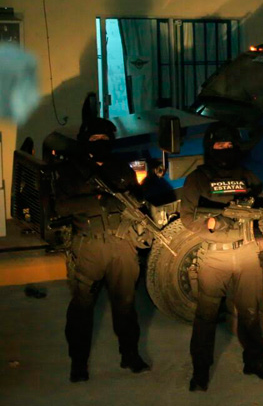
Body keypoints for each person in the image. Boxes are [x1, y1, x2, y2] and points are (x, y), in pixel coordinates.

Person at [181, 122, 263, 392]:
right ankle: (200, 371)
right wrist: (214, 224)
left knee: (250, 312)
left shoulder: (248, 177)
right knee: (206, 317)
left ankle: (254, 361)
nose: (225, 149)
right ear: (210, 147)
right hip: (214, 258)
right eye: (219, 145)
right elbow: (187, 217)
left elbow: (262, 208)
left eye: (229, 145)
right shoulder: (197, 179)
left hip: (246, 254)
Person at [56, 117, 150, 382]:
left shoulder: (121, 168)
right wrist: (97, 202)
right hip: (89, 246)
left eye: (105, 139)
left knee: (126, 305)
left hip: (121, 245)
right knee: (81, 308)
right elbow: (60, 207)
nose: (100, 143)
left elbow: (136, 200)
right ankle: (78, 363)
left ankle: (130, 355)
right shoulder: (71, 171)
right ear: (85, 141)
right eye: (95, 139)